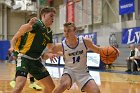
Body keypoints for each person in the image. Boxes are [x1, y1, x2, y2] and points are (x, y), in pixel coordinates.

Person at [9, 7, 57, 93]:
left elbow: (51, 49)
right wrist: (29, 24)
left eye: (54, 16)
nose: (53, 18)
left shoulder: (49, 32)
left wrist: (63, 52)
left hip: (36, 61)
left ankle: (32, 82)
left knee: (51, 86)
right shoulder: (38, 24)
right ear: (44, 15)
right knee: (20, 85)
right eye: (51, 16)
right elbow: (22, 30)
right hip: (24, 58)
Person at [43, 22, 101, 93]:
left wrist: (112, 51)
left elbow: (98, 50)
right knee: (63, 85)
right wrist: (49, 55)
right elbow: (45, 55)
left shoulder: (85, 41)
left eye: (69, 30)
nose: (66, 33)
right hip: (69, 71)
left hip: (83, 73)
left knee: (96, 91)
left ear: (75, 30)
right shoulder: (61, 45)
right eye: (65, 31)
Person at [9, 19, 42, 90]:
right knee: (23, 67)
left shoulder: (34, 33)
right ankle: (15, 80)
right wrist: (12, 47)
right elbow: (13, 39)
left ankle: (32, 83)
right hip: (19, 51)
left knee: (32, 67)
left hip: (28, 52)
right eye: (33, 24)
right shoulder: (23, 31)